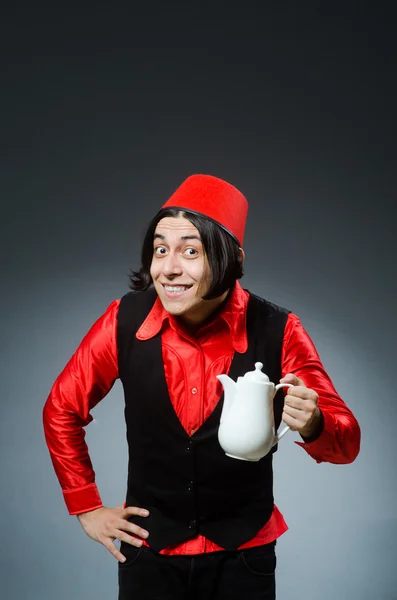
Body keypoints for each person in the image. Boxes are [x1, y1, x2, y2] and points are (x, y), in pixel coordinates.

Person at [43, 174, 361, 600]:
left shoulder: (280, 329)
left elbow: (347, 441)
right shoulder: (123, 320)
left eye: (190, 251)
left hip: (244, 556)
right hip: (149, 554)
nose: (169, 268)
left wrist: (314, 423)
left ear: (231, 258)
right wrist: (86, 507)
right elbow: (61, 409)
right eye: (160, 249)